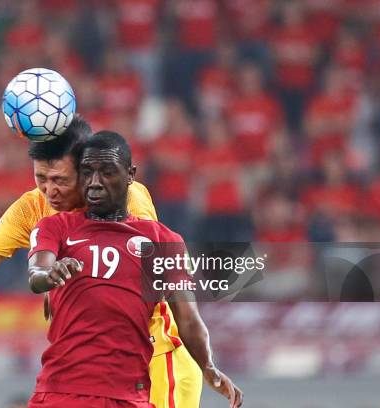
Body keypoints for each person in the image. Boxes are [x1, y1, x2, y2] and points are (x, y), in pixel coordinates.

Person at [0, 115, 231, 407]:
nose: (49, 191)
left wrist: (60, 282)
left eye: (60, 180)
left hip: (157, 358)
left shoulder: (128, 197)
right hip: (93, 376)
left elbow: (142, 270)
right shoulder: (31, 209)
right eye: (41, 179)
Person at [26, 131, 242, 407]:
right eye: (87, 172)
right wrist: (50, 275)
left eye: (106, 172)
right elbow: (36, 274)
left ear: (130, 174)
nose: (94, 182)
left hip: (129, 396)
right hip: (61, 393)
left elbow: (187, 318)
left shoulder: (163, 240)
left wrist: (208, 368)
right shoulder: (56, 227)